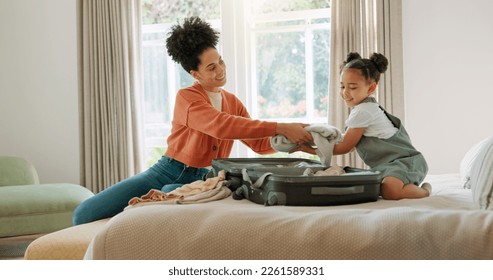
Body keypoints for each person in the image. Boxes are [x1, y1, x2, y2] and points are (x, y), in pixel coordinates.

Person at [72, 16, 312, 225]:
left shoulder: (233, 101)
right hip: (167, 171)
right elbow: (221, 125)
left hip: (207, 180)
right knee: (83, 214)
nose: (220, 70)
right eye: (211, 67)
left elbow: (259, 144)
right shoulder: (187, 97)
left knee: (168, 195)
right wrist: (281, 126)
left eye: (220, 61)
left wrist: (296, 143)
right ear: (195, 74)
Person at [297, 52, 431, 200]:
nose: (345, 92)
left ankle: (425, 191)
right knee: (376, 187)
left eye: (352, 87)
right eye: (342, 86)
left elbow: (346, 147)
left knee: (390, 191)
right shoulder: (365, 108)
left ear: (371, 88)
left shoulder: (364, 112)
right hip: (388, 166)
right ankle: (408, 186)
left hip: (406, 162)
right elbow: (353, 143)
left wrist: (310, 150)